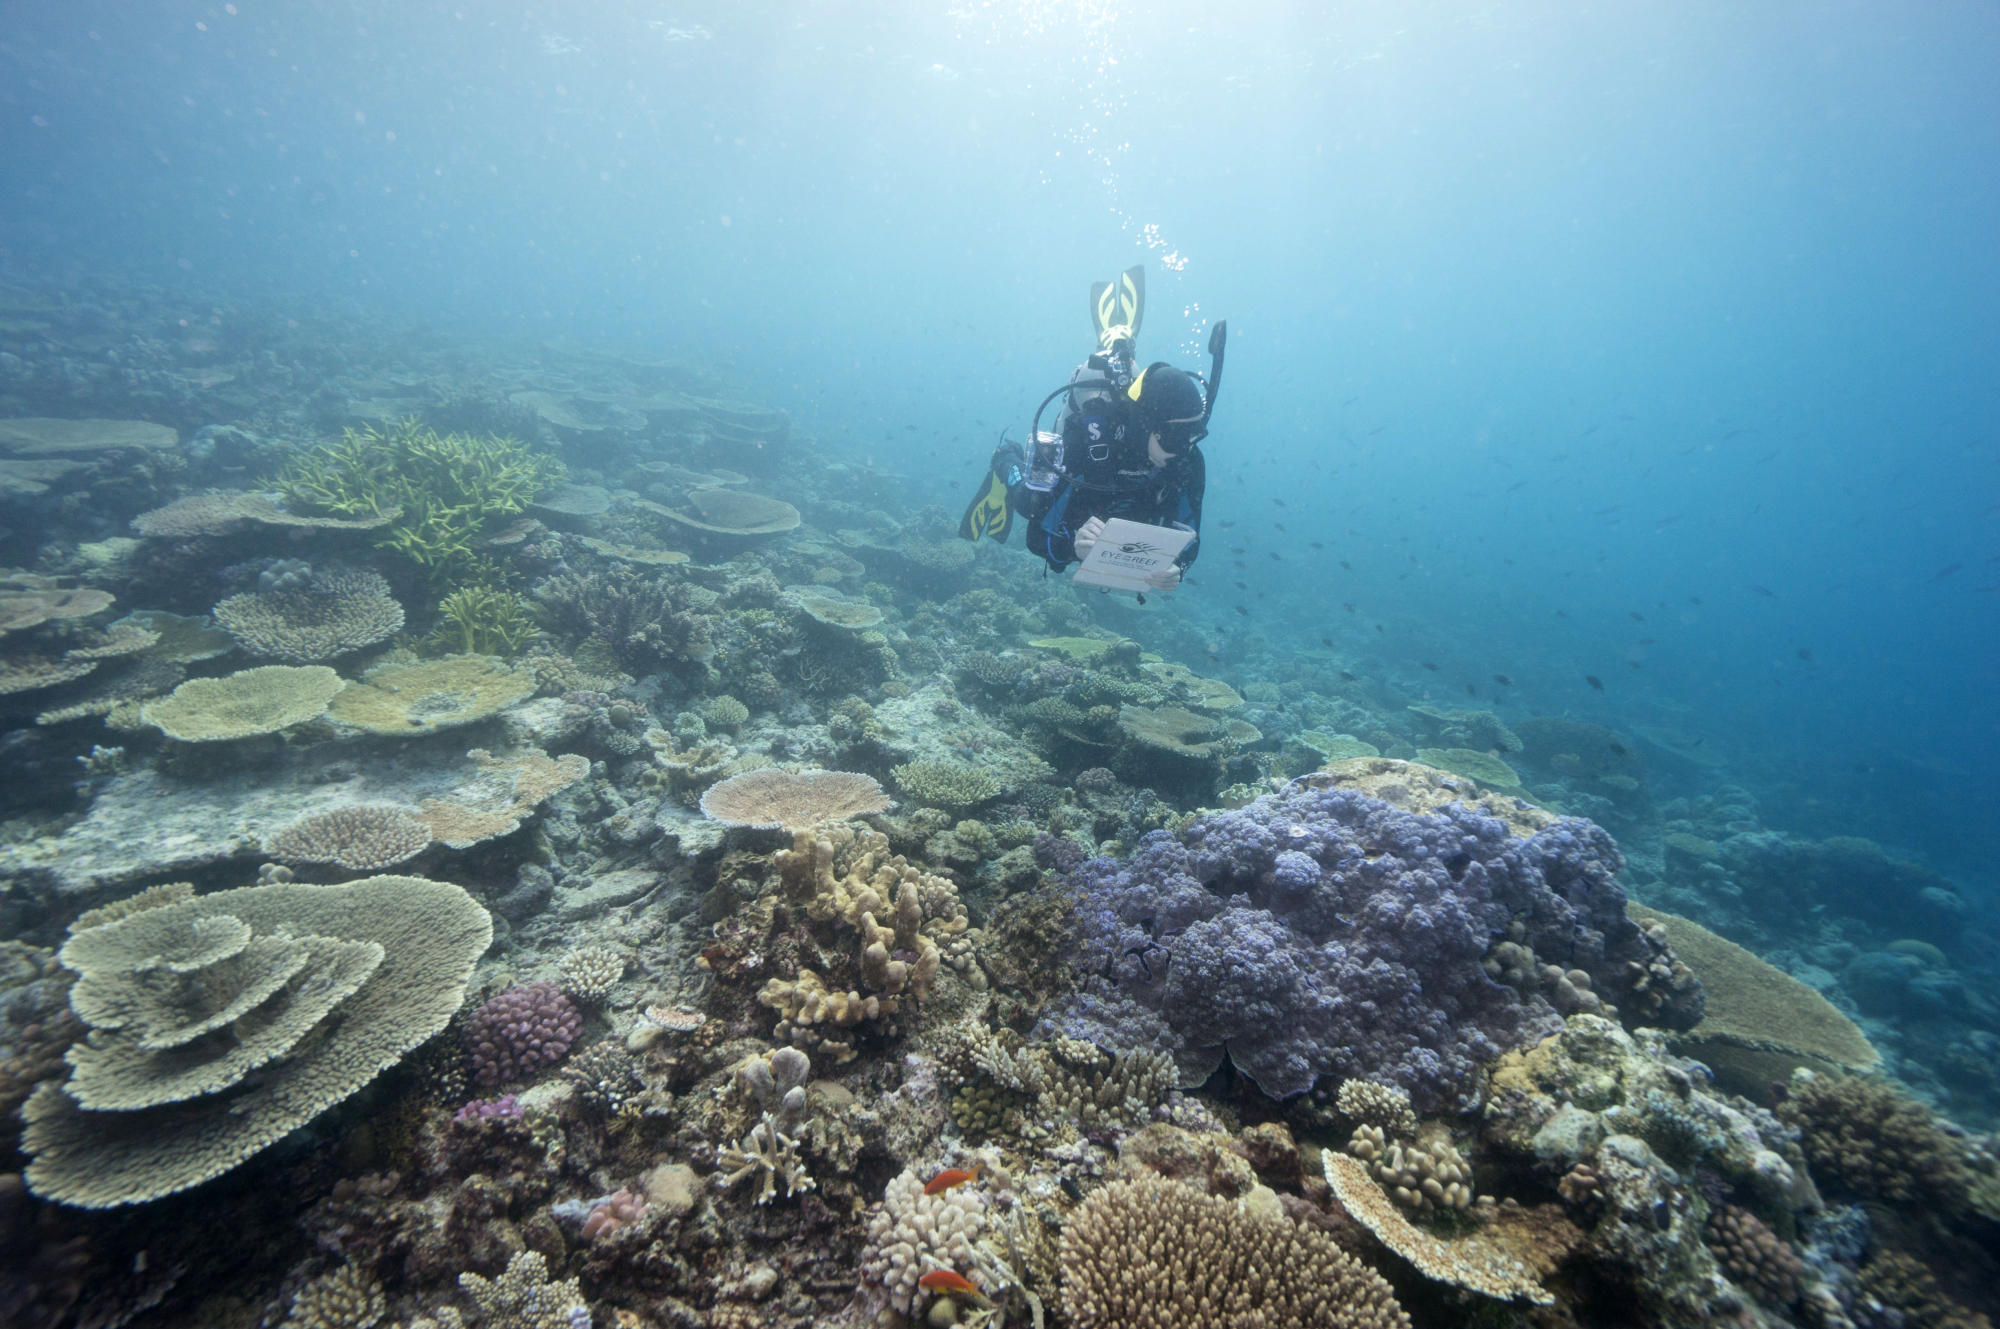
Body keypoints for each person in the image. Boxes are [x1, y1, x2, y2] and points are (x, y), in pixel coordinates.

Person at [959, 265, 1226, 595]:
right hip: (1083, 489)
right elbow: (1037, 538)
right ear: (1146, 427)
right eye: (1173, 437)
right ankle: (1005, 458)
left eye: (1194, 434)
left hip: (1117, 506)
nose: (1184, 449)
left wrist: (1178, 568)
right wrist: (1074, 547)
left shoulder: (1186, 459)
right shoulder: (1090, 437)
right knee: (1029, 501)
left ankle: (1120, 345)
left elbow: (1189, 533)